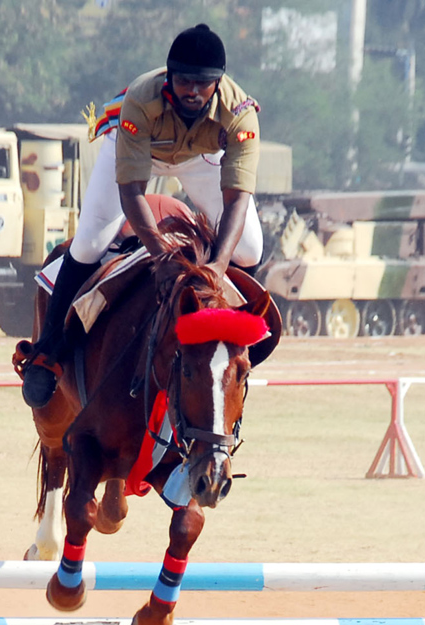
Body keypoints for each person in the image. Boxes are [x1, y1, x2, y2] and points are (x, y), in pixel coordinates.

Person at [19, 23, 263, 409]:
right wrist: (161, 257)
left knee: (249, 248)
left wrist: (217, 265)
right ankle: (48, 351)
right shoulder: (140, 99)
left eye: (204, 84)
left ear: (219, 82)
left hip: (199, 158)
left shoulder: (240, 113)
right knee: (89, 243)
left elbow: (236, 200)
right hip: (138, 150)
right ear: (169, 77)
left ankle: (240, 346)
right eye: (184, 81)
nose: (193, 92)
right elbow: (131, 191)